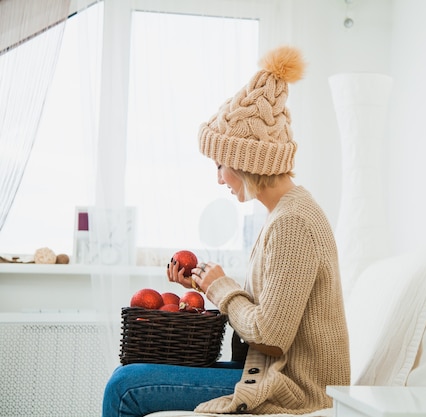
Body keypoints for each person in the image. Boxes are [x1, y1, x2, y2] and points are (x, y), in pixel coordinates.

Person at [102, 45, 351, 416]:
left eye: (220, 165)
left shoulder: (293, 222)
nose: (219, 178)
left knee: (125, 386)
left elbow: (271, 335)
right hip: (265, 371)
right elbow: (269, 312)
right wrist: (205, 286)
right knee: (127, 374)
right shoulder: (283, 215)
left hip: (293, 387)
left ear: (245, 162)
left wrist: (220, 288)